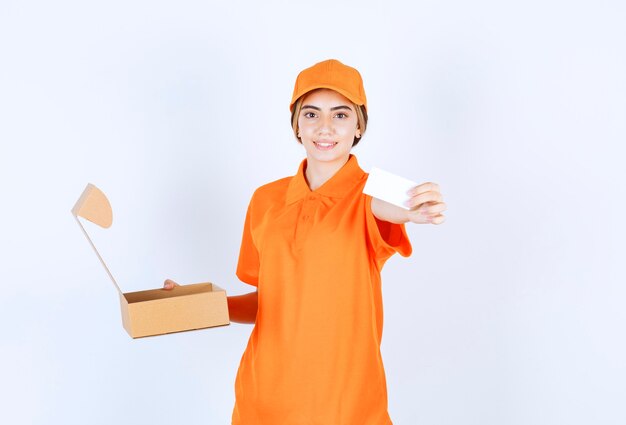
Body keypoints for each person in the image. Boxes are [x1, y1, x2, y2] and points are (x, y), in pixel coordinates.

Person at [164, 59, 446, 425]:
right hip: (262, 404)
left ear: (359, 124)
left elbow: (392, 205)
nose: (325, 127)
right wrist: (199, 304)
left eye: (340, 115)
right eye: (311, 114)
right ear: (296, 123)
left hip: (347, 409)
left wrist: (415, 206)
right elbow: (271, 302)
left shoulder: (370, 193)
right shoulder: (265, 200)